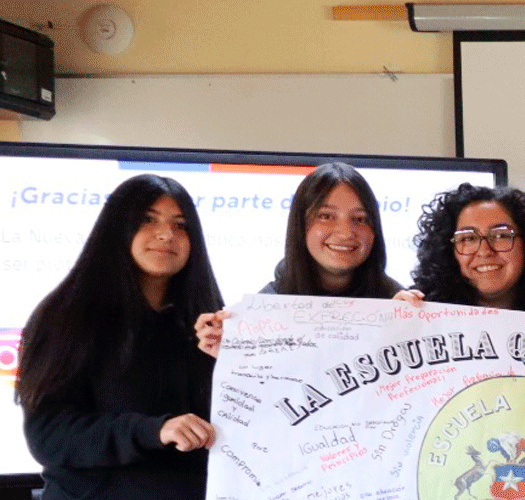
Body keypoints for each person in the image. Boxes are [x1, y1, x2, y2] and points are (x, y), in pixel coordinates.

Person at [17, 174, 225, 500]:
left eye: (180, 225)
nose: (166, 234)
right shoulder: (66, 317)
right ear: (117, 228)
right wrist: (153, 431)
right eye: (148, 220)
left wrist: (230, 361)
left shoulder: (210, 324)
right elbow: (49, 436)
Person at [195, 162, 403, 357]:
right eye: (326, 216)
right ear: (300, 225)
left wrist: (409, 327)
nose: (346, 232)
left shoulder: (399, 306)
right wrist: (230, 355)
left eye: (360, 219)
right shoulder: (264, 310)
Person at [395, 183, 525, 315]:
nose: (484, 251)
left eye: (501, 235)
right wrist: (389, 327)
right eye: (468, 238)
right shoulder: (419, 318)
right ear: (448, 251)